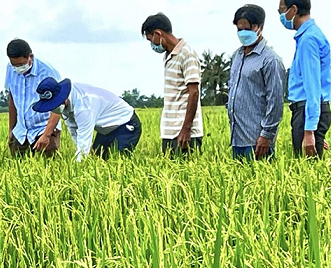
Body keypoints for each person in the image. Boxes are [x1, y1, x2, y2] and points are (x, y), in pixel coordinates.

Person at [278, 0, 331, 158]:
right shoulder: (308, 36)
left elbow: (312, 86)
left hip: (305, 110)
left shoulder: (308, 40)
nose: (281, 16)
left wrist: (309, 131)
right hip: (307, 112)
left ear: (293, 10)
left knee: (308, 172)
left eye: (282, 11)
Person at [32, 78, 142, 161]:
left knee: (118, 163)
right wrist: (82, 154)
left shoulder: (84, 106)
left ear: (63, 98)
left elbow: (84, 138)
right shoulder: (66, 105)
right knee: (97, 161)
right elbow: (74, 130)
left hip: (125, 125)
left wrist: (78, 166)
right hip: (105, 131)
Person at [227, 4, 286, 160]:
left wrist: (266, 135)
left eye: (247, 29)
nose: (243, 33)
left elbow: (275, 101)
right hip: (237, 139)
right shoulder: (237, 56)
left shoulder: (270, 60)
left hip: (258, 141)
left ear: (259, 27)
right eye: (239, 30)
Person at [141, 13, 204, 156]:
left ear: (158, 33)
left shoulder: (187, 54)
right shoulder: (168, 56)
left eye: (151, 40)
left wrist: (186, 130)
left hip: (184, 134)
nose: (152, 45)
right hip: (169, 132)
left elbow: (194, 93)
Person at [5, 38, 64, 157]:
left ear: (30, 57)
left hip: (44, 127)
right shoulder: (10, 69)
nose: (18, 68)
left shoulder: (47, 71)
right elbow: (12, 100)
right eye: (15, 65)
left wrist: (47, 135)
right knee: (16, 167)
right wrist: (11, 130)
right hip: (21, 131)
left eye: (21, 64)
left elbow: (59, 103)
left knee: (48, 168)